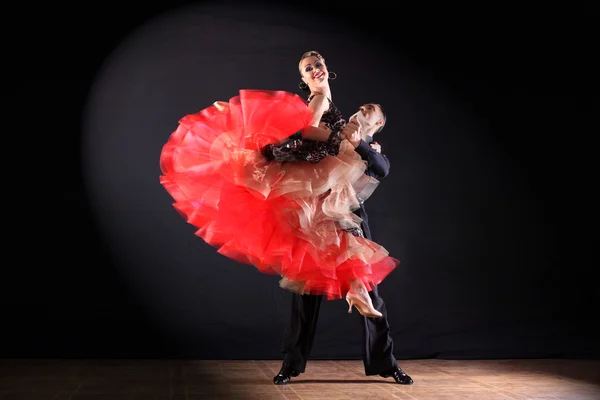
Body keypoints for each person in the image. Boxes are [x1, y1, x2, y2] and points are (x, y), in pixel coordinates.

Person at [159, 55, 399, 316]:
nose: (315, 70)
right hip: (317, 176)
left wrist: (358, 144)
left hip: (324, 177)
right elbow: (305, 130)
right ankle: (355, 290)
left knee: (332, 237)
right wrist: (337, 137)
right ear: (304, 80)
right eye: (308, 69)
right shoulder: (319, 99)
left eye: (318, 65)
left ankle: (356, 290)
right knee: (334, 234)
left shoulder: (327, 101)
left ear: (327, 68)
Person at [272, 103, 414, 386]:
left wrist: (359, 143)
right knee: (304, 299)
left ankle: (387, 364)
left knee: (371, 298)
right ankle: (291, 364)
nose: (362, 107)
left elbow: (382, 169)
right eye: (362, 105)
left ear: (378, 123)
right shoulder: (334, 137)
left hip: (351, 232)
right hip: (315, 228)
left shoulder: (372, 150)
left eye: (370, 108)